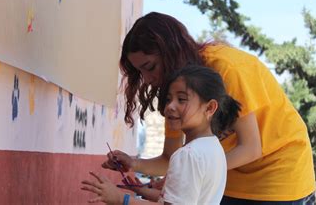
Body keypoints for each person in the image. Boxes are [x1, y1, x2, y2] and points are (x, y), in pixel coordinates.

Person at [102, 12, 316, 204]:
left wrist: (184, 174)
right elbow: (170, 158)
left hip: (279, 177)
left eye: (150, 67)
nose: (148, 79)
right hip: (228, 178)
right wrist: (134, 163)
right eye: (141, 73)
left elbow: (250, 148)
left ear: (170, 53)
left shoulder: (227, 69)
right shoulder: (176, 95)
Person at [81, 65, 241, 204]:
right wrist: (142, 191)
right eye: (168, 99)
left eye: (182, 99)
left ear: (209, 108)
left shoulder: (188, 155)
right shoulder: (214, 148)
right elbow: (183, 198)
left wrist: (120, 199)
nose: (170, 106)